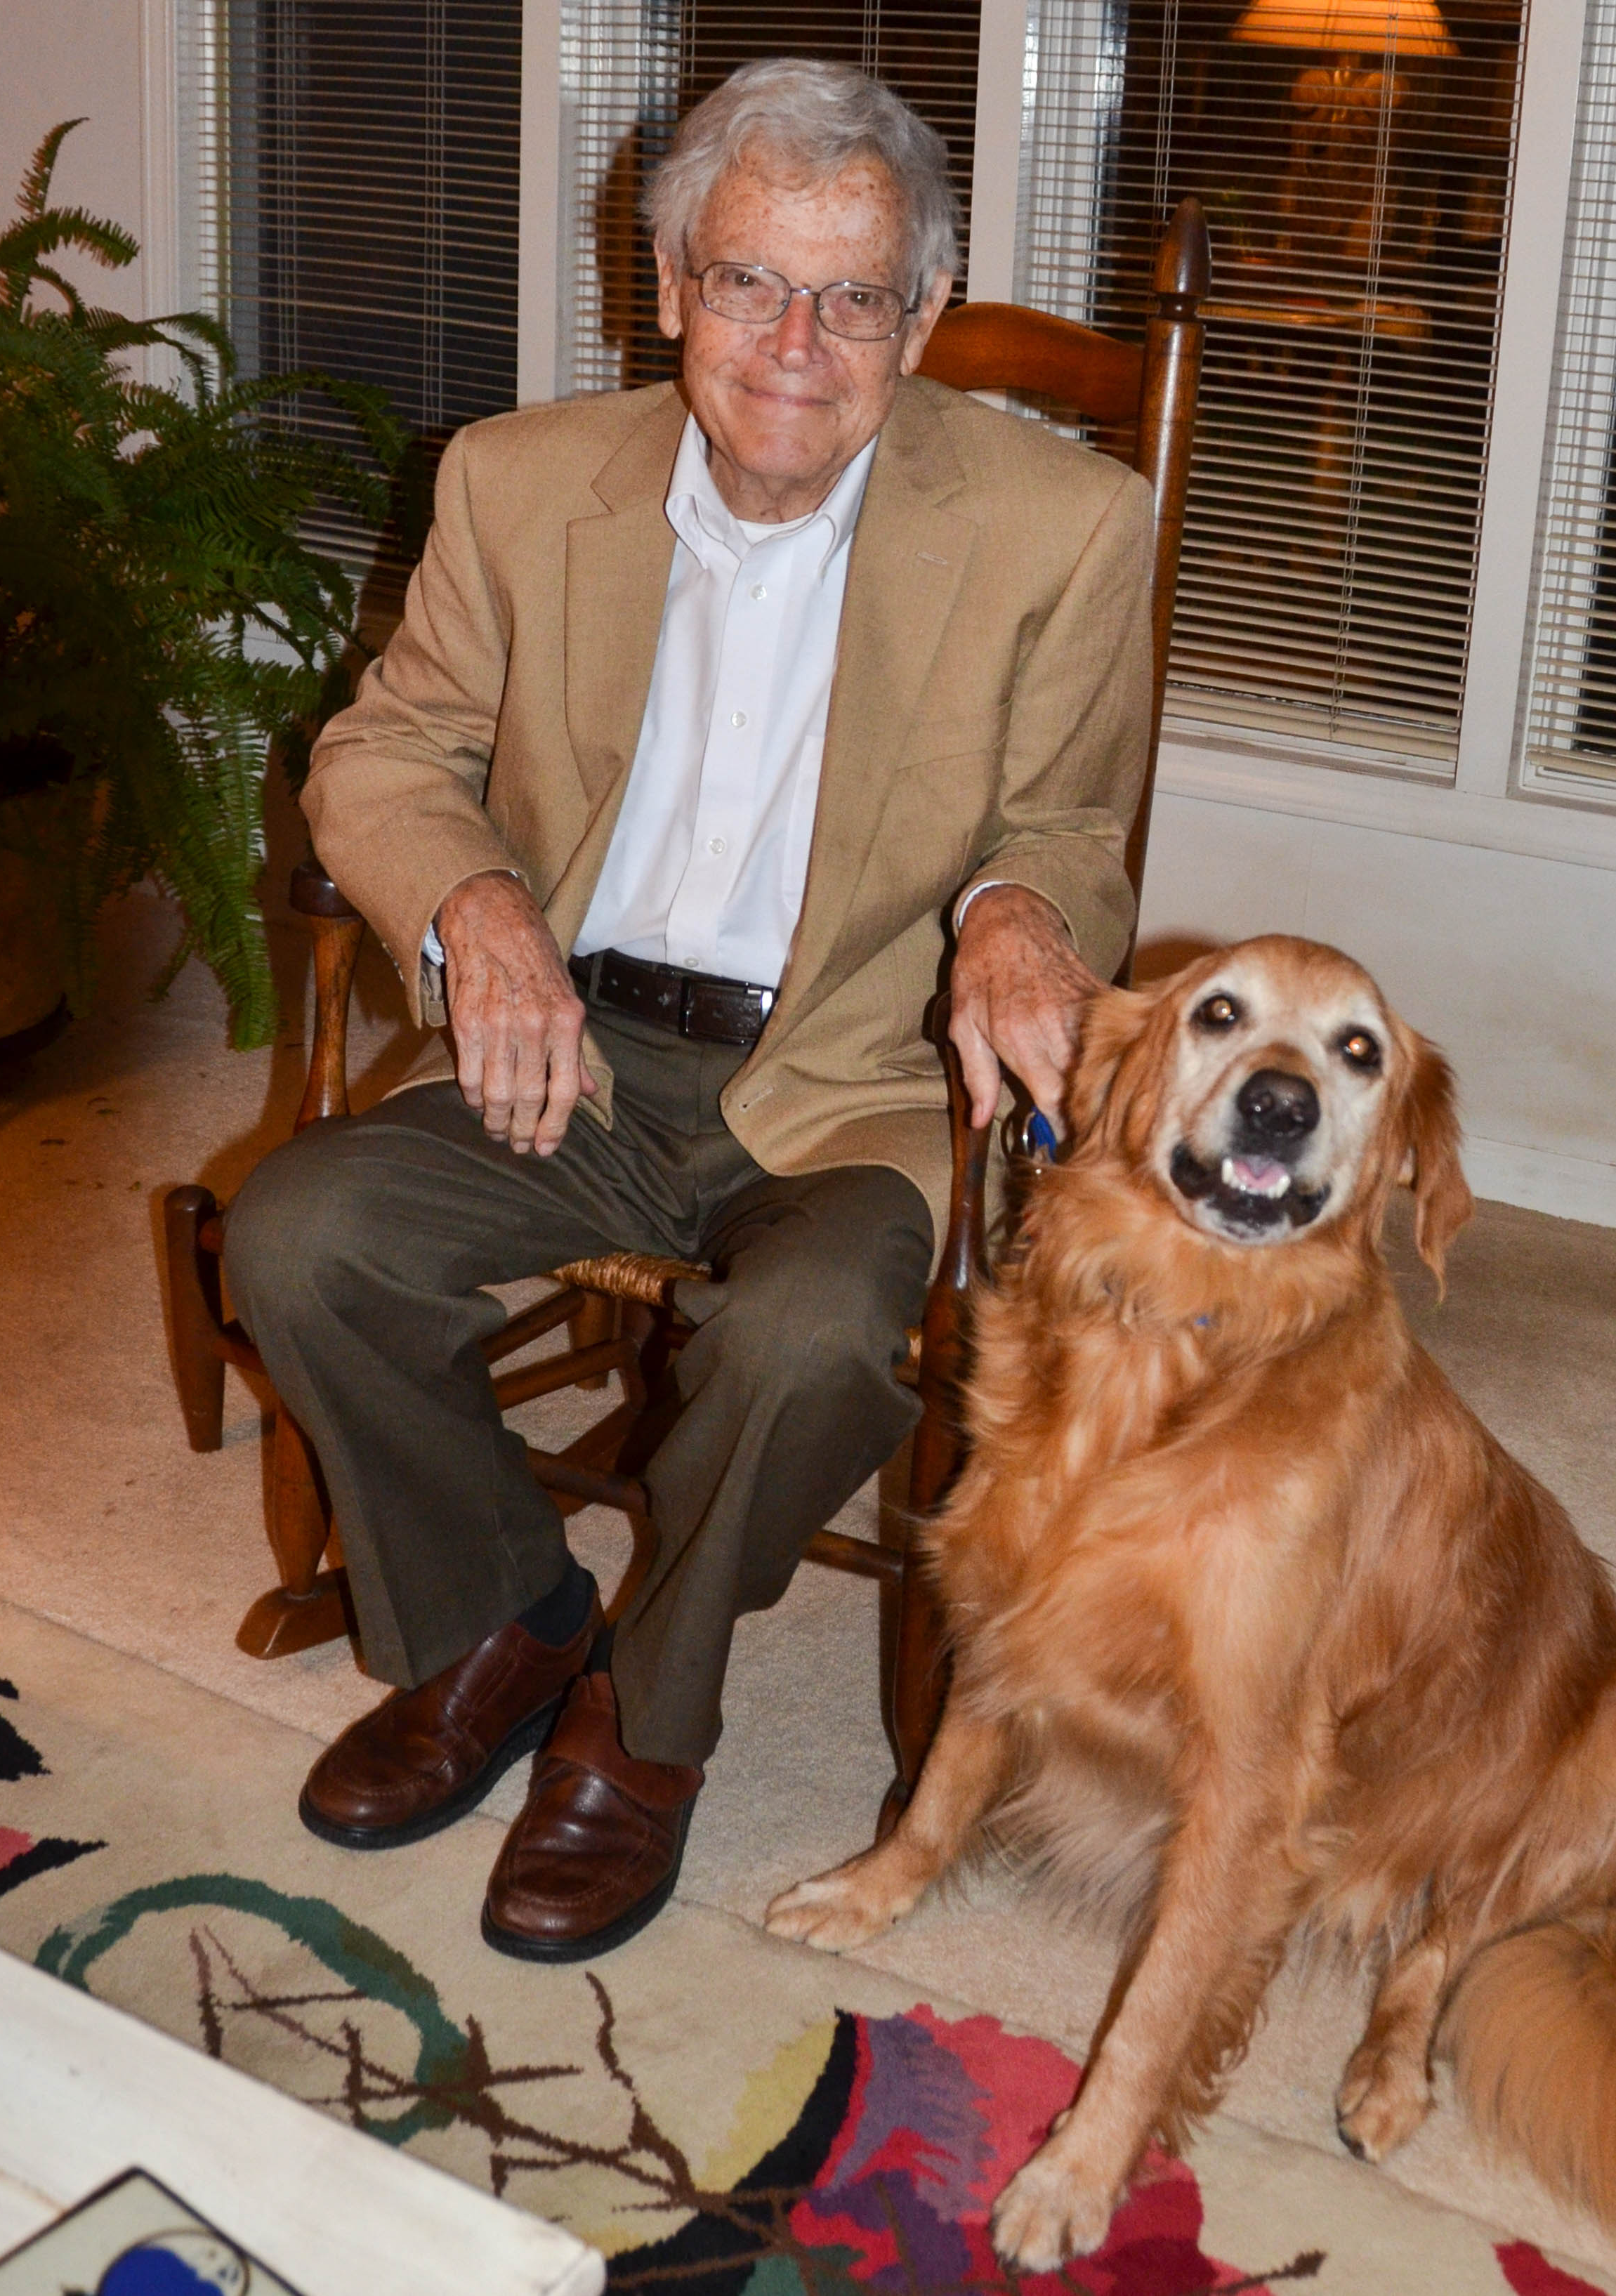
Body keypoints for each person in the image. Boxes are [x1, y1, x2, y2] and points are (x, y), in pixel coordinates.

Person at [224, 55, 1153, 1963]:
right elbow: (386, 748)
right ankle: (504, 1617)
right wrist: (477, 908)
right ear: (665, 286)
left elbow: (1066, 823)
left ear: (920, 317)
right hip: (570, 1032)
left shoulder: (1064, 528)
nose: (794, 343)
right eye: (747, 281)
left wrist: (1010, 918)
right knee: (302, 1235)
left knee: (807, 1338)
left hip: (861, 1068)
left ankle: (641, 1726)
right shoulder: (513, 479)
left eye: (854, 295)